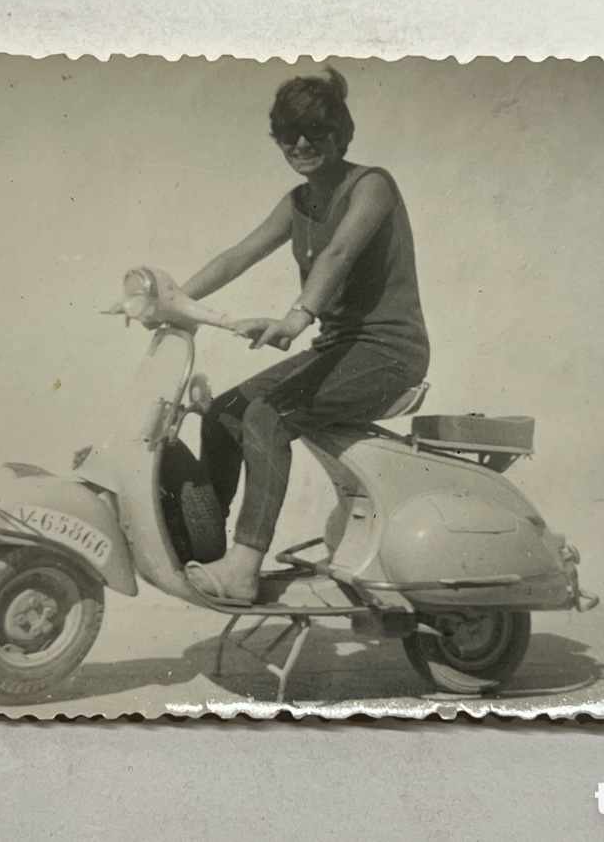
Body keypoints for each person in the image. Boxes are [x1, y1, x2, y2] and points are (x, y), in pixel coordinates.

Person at [180, 67, 430, 605]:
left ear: (340, 134)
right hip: (339, 349)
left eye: (315, 133)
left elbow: (339, 253)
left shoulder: (372, 185)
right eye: (289, 135)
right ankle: (208, 544)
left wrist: (298, 316)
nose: (301, 145)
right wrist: (174, 301)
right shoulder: (297, 202)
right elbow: (238, 255)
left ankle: (243, 570)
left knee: (269, 416)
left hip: (388, 351)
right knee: (225, 414)